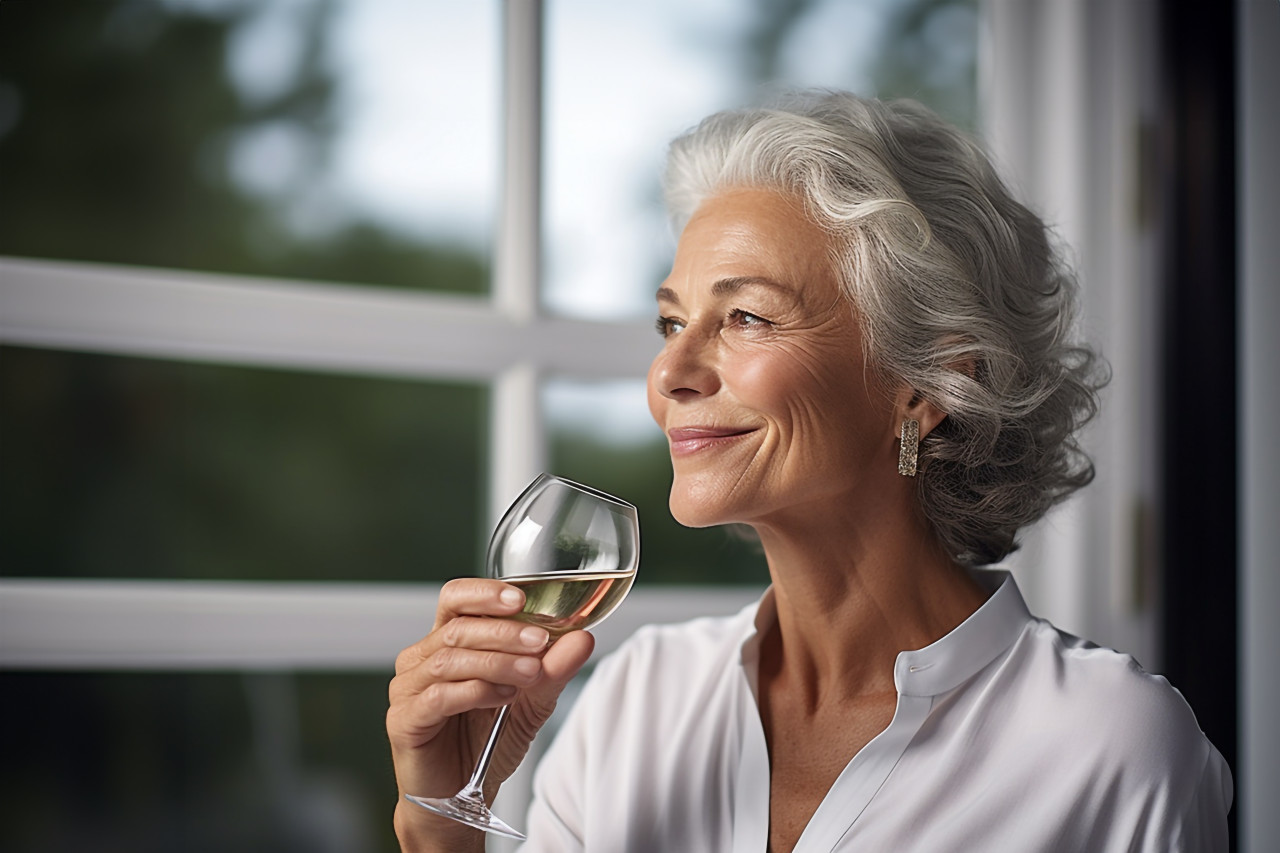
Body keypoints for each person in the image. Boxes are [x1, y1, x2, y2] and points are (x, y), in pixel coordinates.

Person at [386, 91, 1232, 852]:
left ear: (927, 386)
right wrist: (435, 823)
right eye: (671, 320)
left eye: (746, 316)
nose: (671, 371)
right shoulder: (634, 703)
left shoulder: (1114, 747)